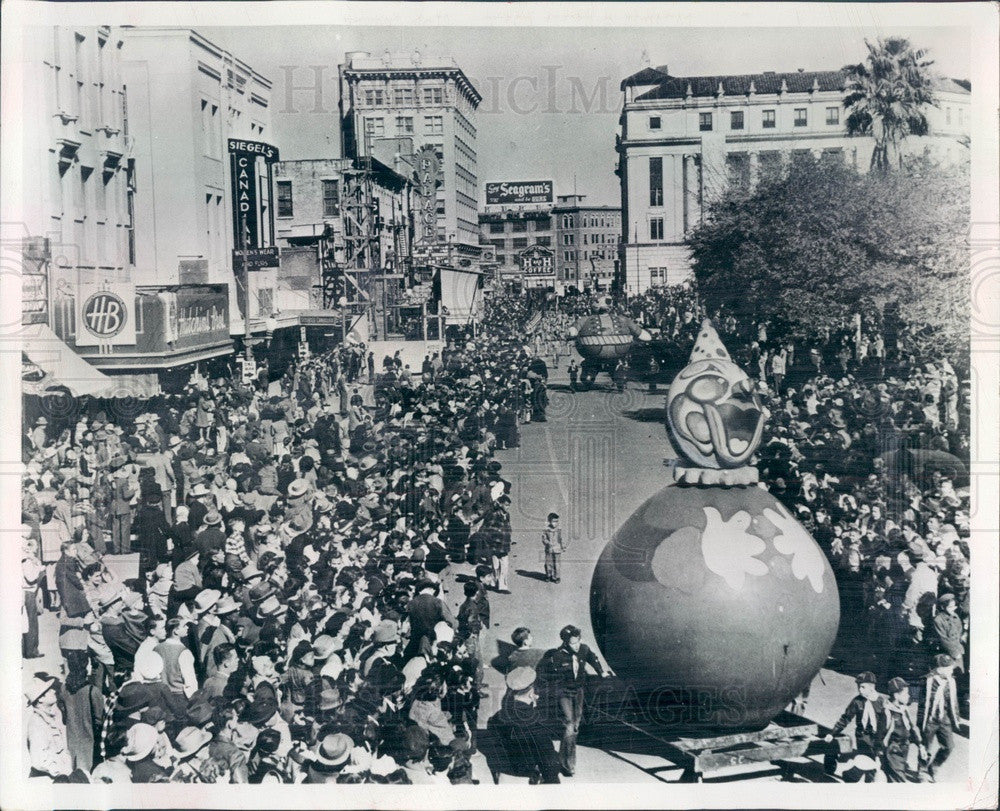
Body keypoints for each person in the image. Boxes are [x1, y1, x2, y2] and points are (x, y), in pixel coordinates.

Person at [538, 625, 608, 777]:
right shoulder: (556, 656)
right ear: (565, 643)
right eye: (572, 643)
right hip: (564, 693)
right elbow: (543, 673)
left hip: (579, 692)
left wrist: (601, 672)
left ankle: (565, 757)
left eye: (578, 642)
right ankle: (568, 765)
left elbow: (592, 658)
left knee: (575, 726)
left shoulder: (583, 649)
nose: (576, 646)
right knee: (569, 724)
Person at [497, 667, 560, 784]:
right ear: (531, 693)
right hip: (527, 777)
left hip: (506, 774)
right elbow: (548, 759)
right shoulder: (536, 723)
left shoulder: (501, 714)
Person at [823, 671, 884, 781]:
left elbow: (885, 722)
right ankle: (851, 778)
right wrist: (833, 733)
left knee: (870, 766)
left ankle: (849, 776)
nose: (860, 690)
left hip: (877, 739)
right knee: (869, 765)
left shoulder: (881, 702)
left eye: (863, 687)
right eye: (858, 687)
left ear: (872, 687)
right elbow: (846, 718)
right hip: (863, 738)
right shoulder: (857, 702)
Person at [918, 654, 961, 782]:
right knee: (926, 746)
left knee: (949, 746)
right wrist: (920, 722)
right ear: (939, 669)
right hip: (930, 719)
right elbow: (922, 704)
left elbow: (954, 702)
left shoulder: (951, 682)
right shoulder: (927, 681)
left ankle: (934, 767)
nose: (951, 670)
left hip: (944, 718)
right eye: (948, 668)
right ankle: (922, 771)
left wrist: (956, 719)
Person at [25, 673, 72, 779]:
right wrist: (63, 772)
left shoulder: (52, 716)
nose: (54, 691)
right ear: (40, 699)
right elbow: (39, 760)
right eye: (48, 690)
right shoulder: (37, 723)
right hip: (47, 780)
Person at [880, 676, 924, 783]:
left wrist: (920, 745)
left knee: (893, 777)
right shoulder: (887, 712)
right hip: (893, 750)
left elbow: (912, 728)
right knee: (899, 780)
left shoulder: (904, 709)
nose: (909, 696)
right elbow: (880, 734)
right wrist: (878, 754)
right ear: (896, 695)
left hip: (904, 748)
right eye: (905, 693)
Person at [541, 512, 564, 584]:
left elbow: (561, 539)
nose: (555, 523)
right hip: (549, 549)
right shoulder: (546, 530)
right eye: (553, 521)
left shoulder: (559, 530)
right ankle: (548, 575)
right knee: (548, 563)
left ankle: (556, 577)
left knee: (557, 563)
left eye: (556, 521)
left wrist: (563, 546)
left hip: (557, 549)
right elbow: (544, 539)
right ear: (549, 521)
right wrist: (547, 543)